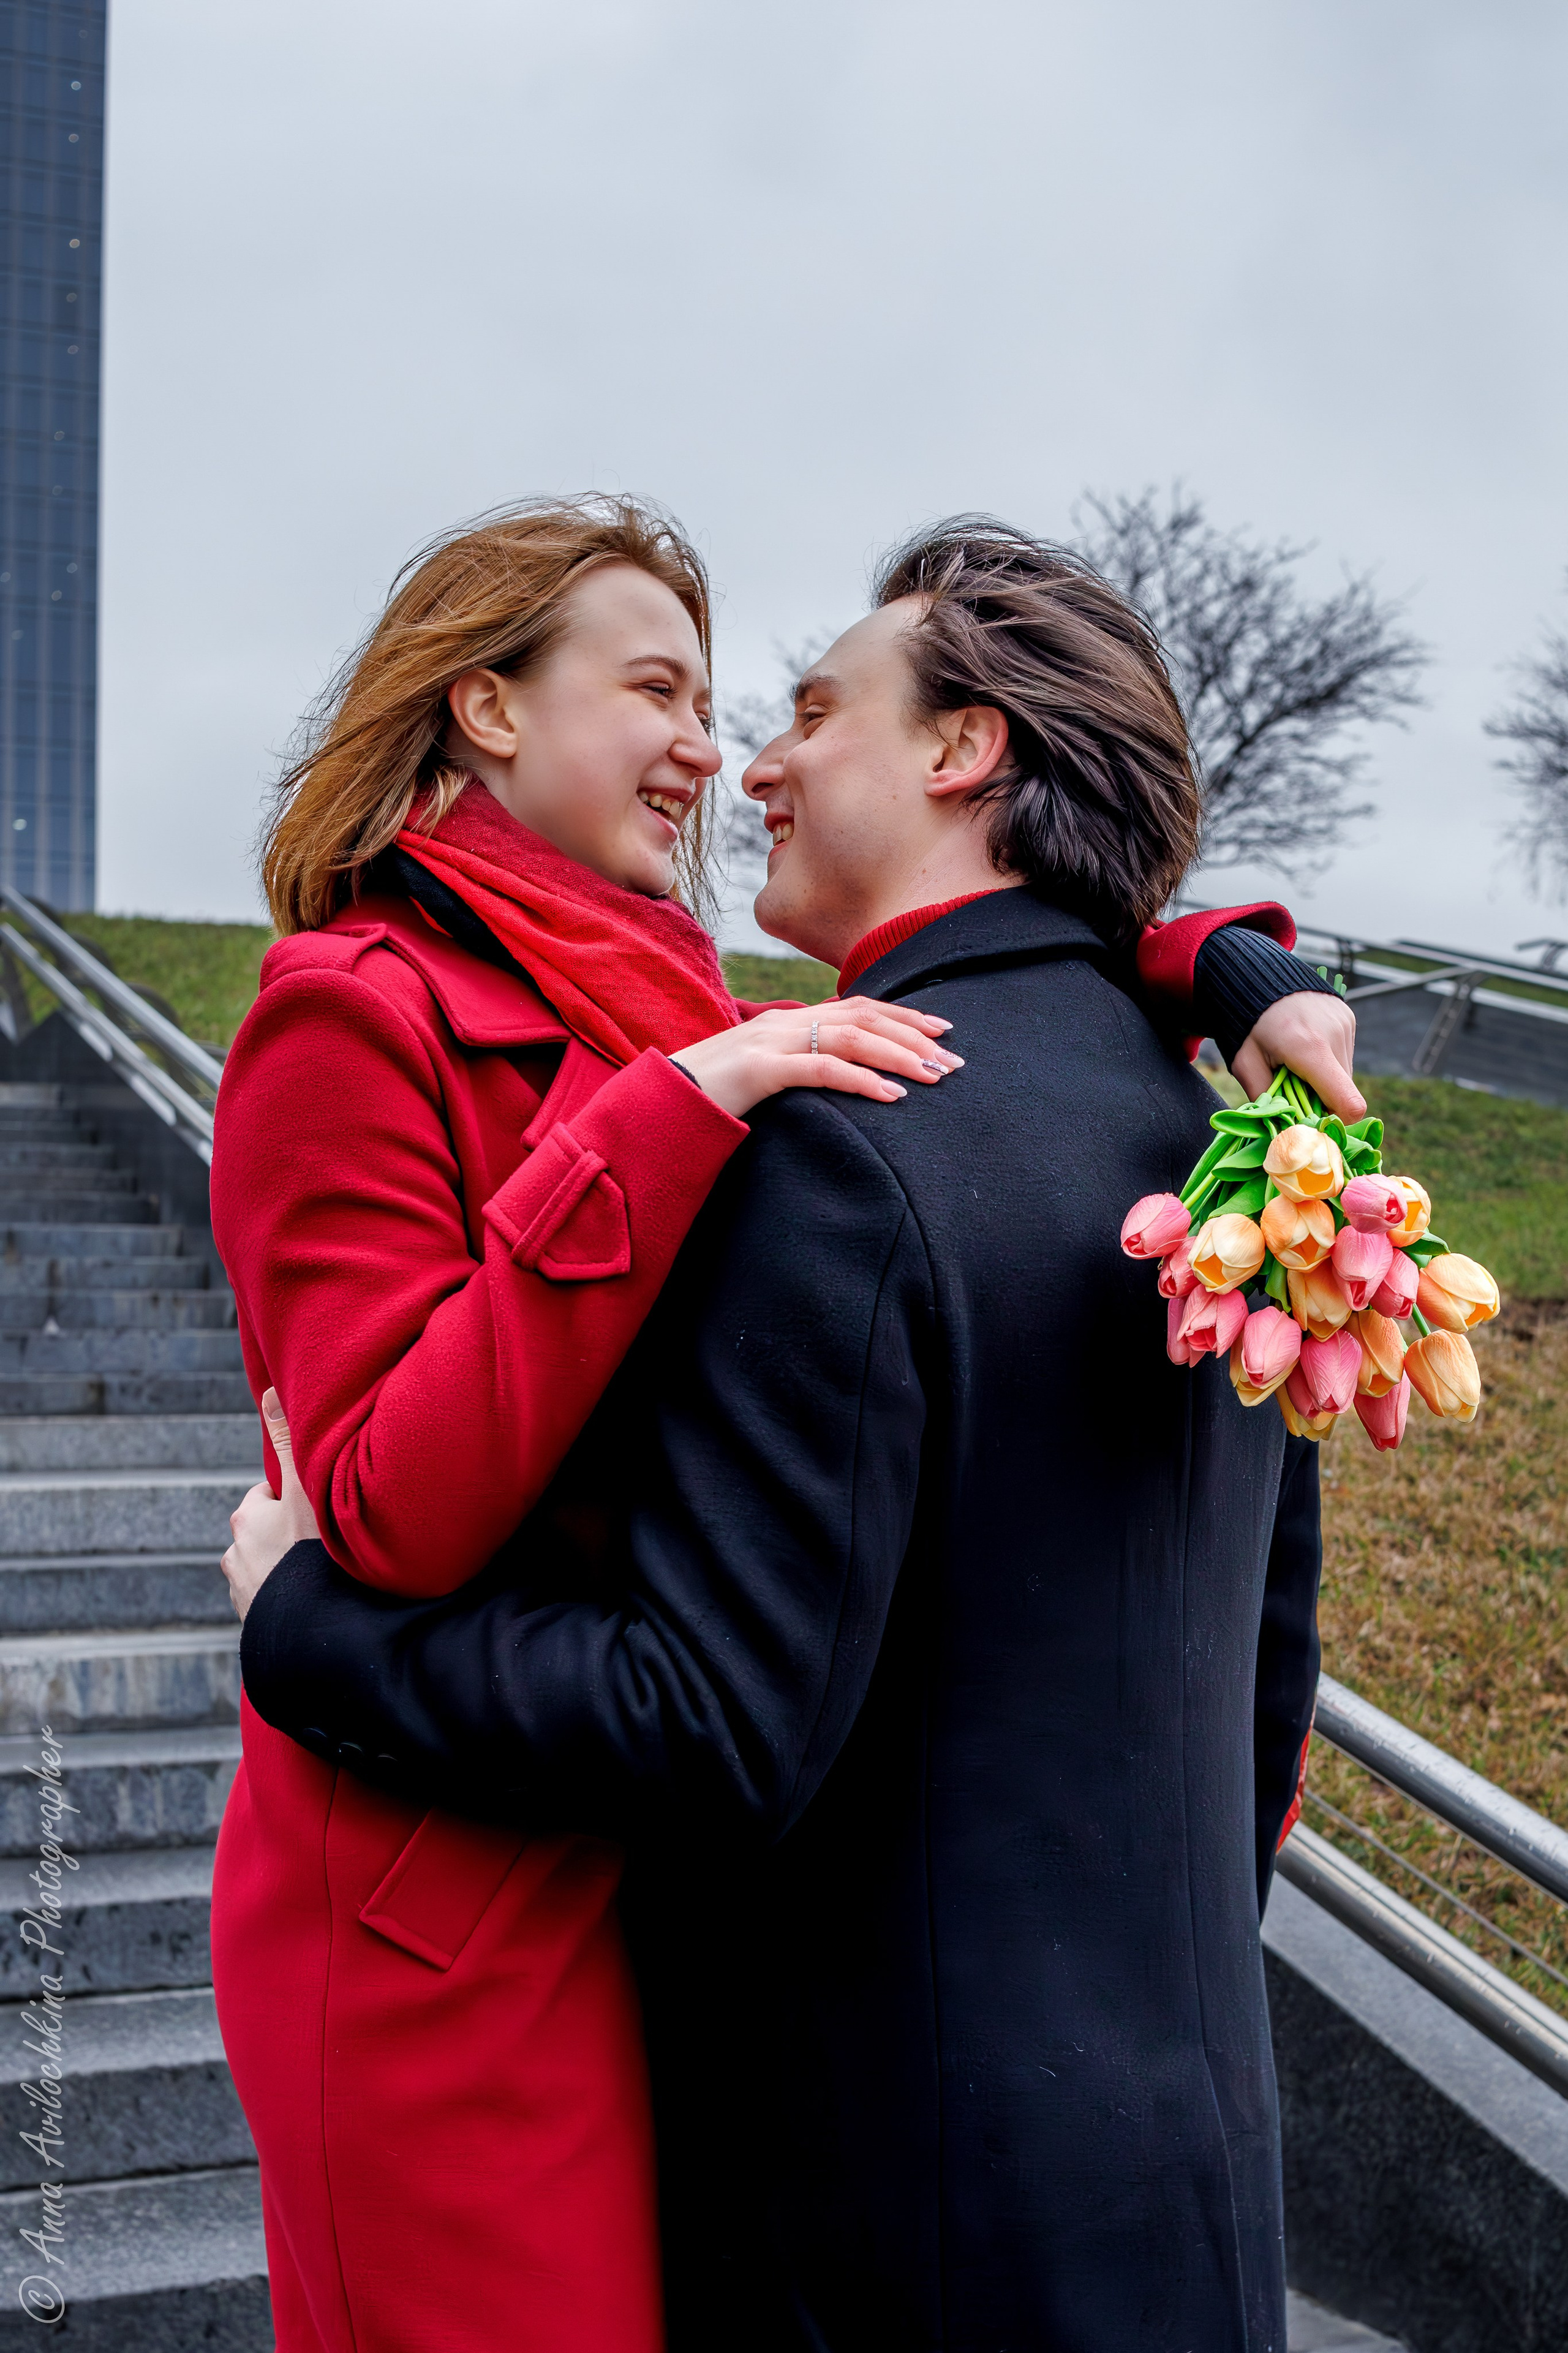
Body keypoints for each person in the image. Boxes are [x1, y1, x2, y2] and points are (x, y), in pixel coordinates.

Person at [225, 516, 1342, 2351]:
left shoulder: (803, 1089)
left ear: (963, 752)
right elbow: (1266, 1681)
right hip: (501, 1923)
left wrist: (1204, 951)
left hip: (825, 2068)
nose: (734, 752)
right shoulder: (1234, 1153)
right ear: (483, 706)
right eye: (658, 688)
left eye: (780, 704)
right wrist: (1184, 966)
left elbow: (722, 1715)